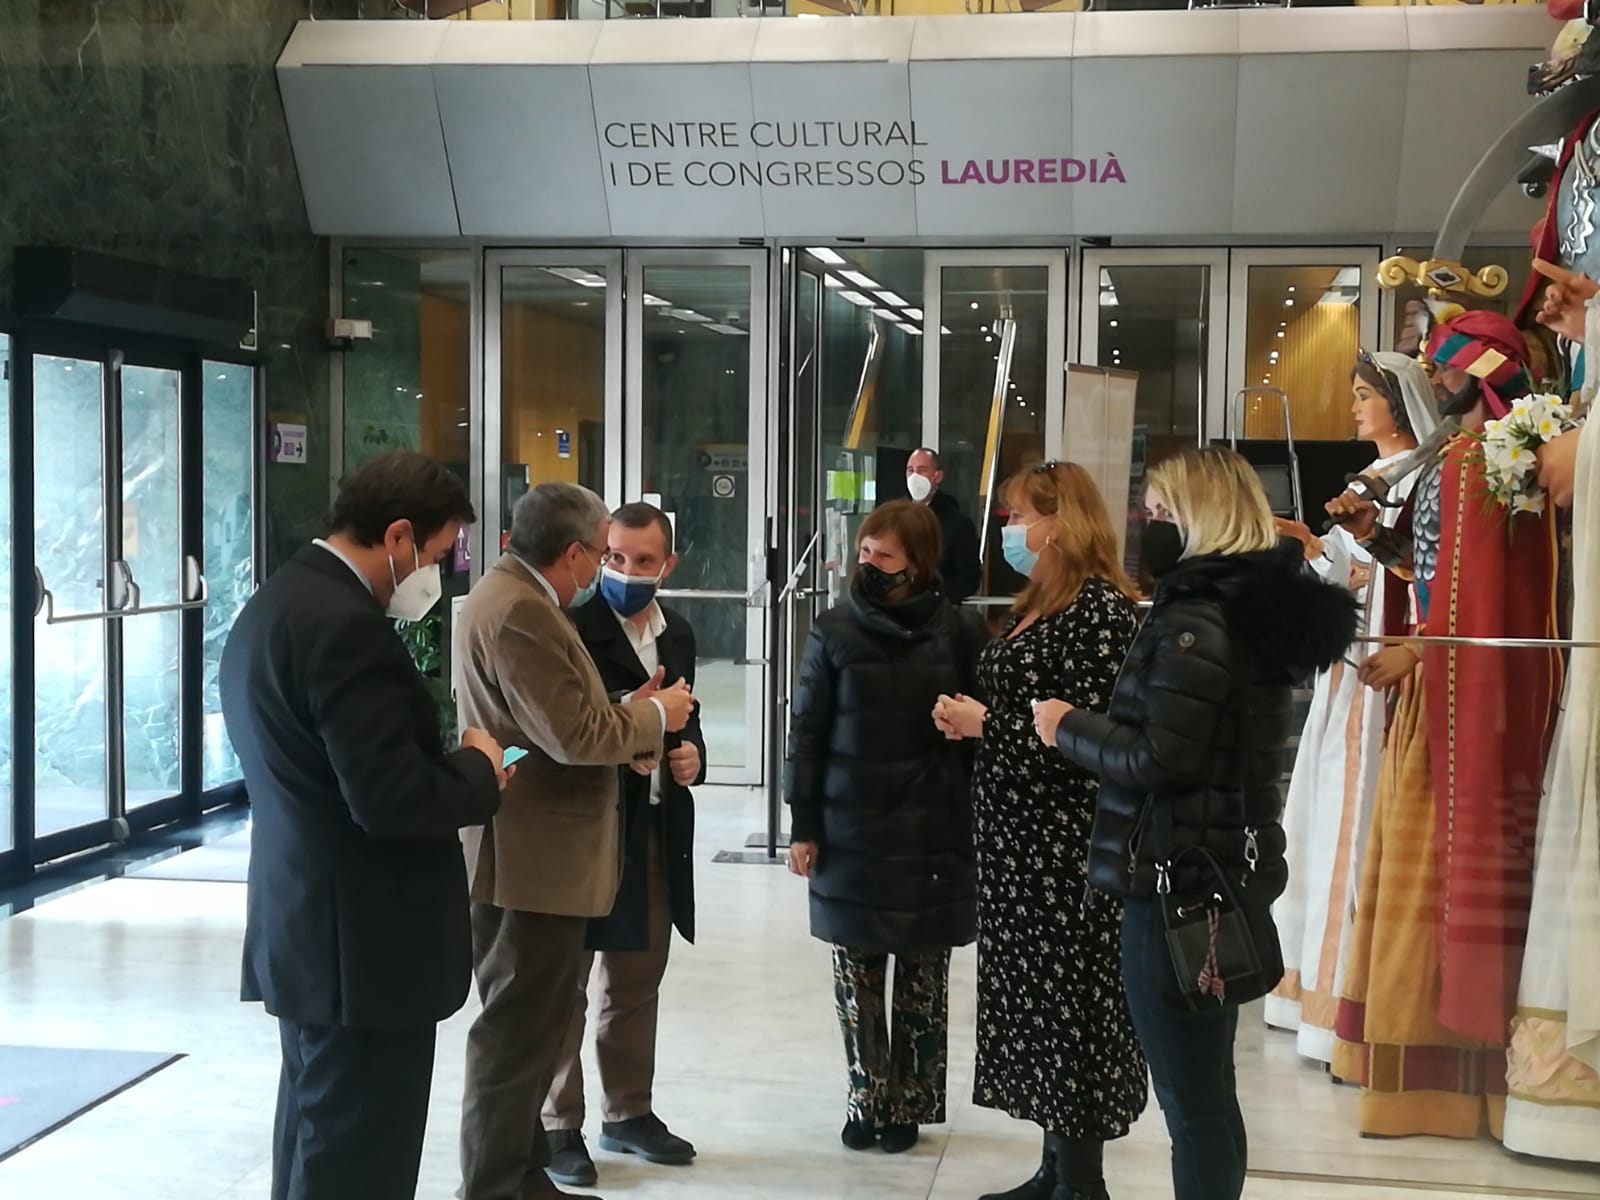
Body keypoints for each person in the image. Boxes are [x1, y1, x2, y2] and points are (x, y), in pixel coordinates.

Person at [1035, 447, 1357, 1200]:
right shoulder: (1251, 611)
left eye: (1160, 513)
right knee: (1211, 1089)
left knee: (1194, 1104)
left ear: (1198, 518)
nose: (1150, 526)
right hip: (1218, 869)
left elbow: (1159, 759)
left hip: (1177, 879)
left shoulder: (1198, 622)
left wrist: (1066, 726)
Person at [218, 450, 509, 1200]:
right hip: (363, 950)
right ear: (400, 536)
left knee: (318, 1139)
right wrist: (480, 768)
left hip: (309, 928)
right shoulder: (347, 629)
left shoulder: (276, 603)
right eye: (440, 555)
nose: (435, 577)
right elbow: (389, 801)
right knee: (359, 1157)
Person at [1331, 310, 1561, 1141]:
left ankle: (1441, 1068)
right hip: (1438, 681)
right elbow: (1433, 571)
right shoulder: (1460, 458)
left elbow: (1486, 595)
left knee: (1434, 875)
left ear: (1475, 372)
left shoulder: (1487, 459)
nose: (1431, 376)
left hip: (1458, 690)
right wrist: (1379, 540)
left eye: (1442, 363)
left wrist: (1422, 653)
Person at [454, 482, 697, 1200]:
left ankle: (526, 1173)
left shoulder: (512, 598)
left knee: (532, 1026)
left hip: (542, 851)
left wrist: (633, 716)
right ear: (573, 551)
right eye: (601, 555)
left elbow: (554, 719)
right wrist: (653, 716)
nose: (604, 572)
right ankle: (497, 1184)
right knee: (517, 1032)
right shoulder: (523, 612)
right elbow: (575, 736)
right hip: (535, 854)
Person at [932, 462, 1148, 1200]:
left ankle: (1081, 1183)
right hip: (1020, 851)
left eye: (1018, 515)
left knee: (1074, 1011)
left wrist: (983, 723)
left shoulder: (1101, 611)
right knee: (1040, 1009)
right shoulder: (1041, 600)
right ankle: (1055, 1169)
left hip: (1068, 850)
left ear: (1059, 522)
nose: (1008, 529)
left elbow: (1091, 738)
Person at [785, 499, 984, 1157]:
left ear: (920, 563)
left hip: (933, 827)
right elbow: (808, 732)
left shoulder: (959, 633)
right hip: (851, 831)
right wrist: (804, 824)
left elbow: (984, 733)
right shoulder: (835, 631)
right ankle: (865, 1096)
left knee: (924, 977)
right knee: (857, 978)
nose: (869, 565)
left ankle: (909, 1103)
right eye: (865, 552)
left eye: (885, 556)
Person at [1265, 351, 1439, 1064]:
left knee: (1358, 830)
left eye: (1367, 395)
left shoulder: (1425, 480)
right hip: (1348, 681)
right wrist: (1315, 553)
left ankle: (1351, 996)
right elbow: (1352, 579)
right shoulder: (1366, 483)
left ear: (1402, 402)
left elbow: (1425, 578)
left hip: (1391, 678)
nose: (1357, 408)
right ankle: (1311, 991)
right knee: (1322, 823)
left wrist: (1363, 558)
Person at [544, 502, 706, 1187]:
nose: (628, 572)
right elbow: (561, 735)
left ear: (667, 565)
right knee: (567, 986)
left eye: (644, 561)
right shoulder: (569, 631)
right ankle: (558, 1126)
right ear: (594, 554)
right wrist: (627, 742)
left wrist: (693, 755)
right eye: (615, 558)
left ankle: (628, 1112)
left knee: (636, 981)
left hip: (654, 831)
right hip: (587, 832)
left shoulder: (680, 634)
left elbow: (688, 724)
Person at [906, 447, 981, 601]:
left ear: (937, 477)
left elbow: (968, 582)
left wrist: (924, 591)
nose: (915, 477)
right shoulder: (896, 518)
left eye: (922, 470)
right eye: (910, 470)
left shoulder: (959, 525)